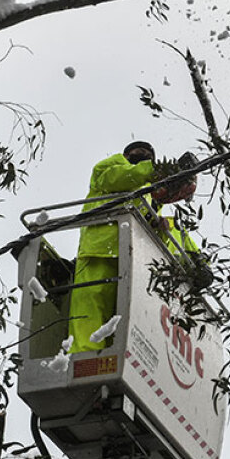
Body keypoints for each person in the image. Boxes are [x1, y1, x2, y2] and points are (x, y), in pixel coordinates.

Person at [67, 141, 157, 353]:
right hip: (99, 247)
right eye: (139, 152)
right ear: (126, 154)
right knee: (90, 302)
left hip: (128, 255)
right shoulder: (109, 167)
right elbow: (120, 178)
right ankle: (84, 352)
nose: (143, 156)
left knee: (118, 310)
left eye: (148, 155)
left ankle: (109, 353)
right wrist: (154, 170)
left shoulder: (146, 191)